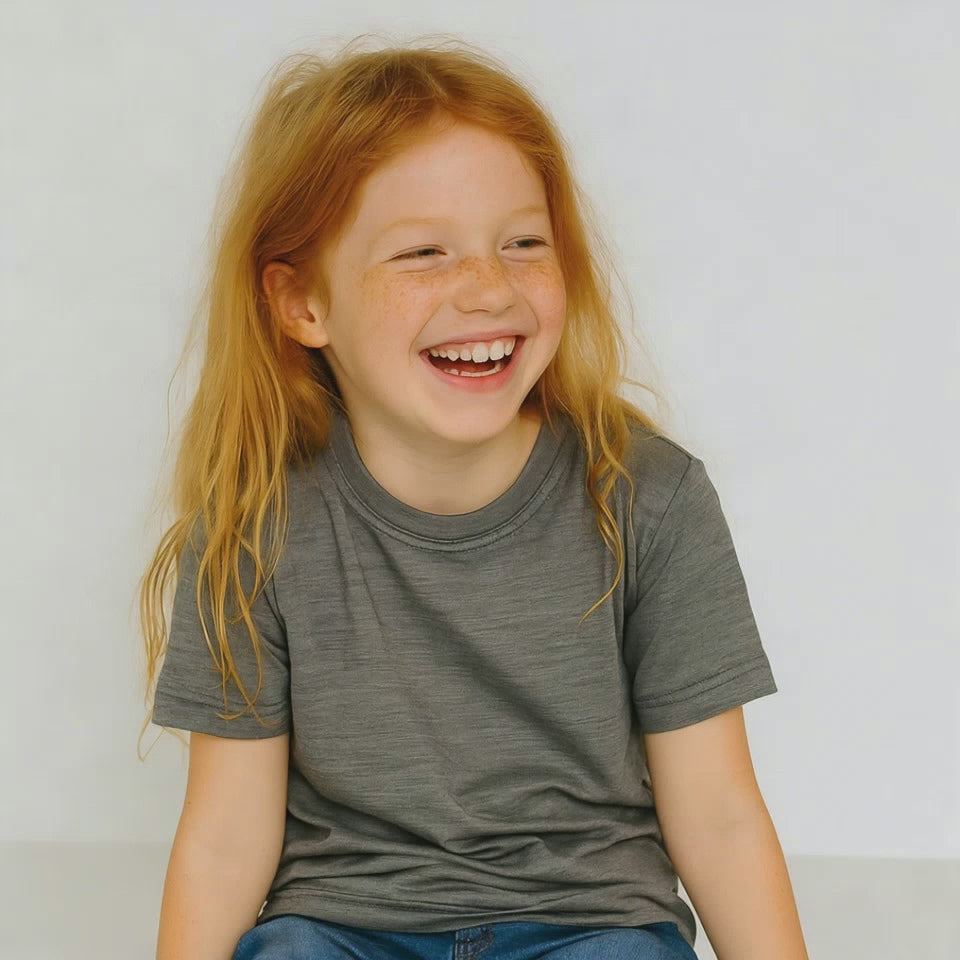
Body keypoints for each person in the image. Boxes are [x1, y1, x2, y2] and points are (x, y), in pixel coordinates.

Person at [140, 35, 809, 960]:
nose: (489, 289)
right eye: (423, 252)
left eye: (523, 243)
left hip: (591, 928)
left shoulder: (650, 501)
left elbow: (721, 815)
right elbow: (223, 839)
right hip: (343, 929)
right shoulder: (256, 527)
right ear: (302, 305)